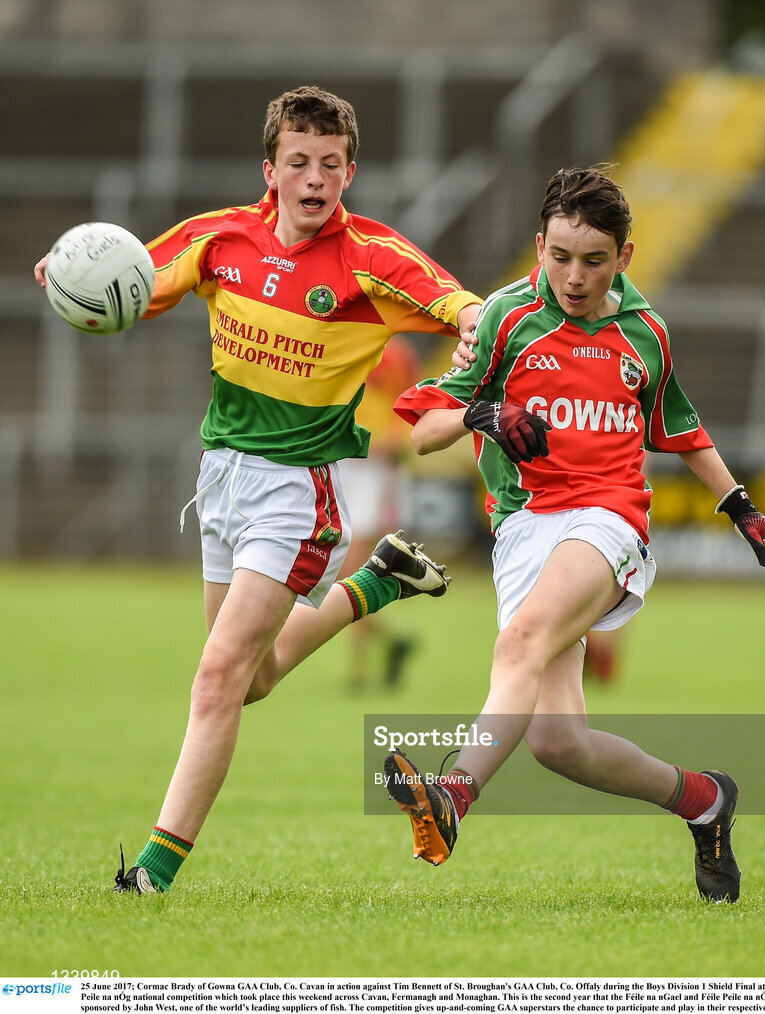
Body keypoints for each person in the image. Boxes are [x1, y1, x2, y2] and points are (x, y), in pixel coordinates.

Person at [35, 85, 481, 894]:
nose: (315, 179)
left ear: (350, 172)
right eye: (300, 162)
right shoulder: (219, 239)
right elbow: (132, 278)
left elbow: (460, 305)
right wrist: (72, 274)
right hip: (220, 480)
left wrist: (475, 327)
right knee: (253, 679)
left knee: (215, 680)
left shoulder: (372, 258)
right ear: (268, 167)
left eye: (332, 165)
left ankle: (153, 874)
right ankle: (377, 580)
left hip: (296, 497)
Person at [383, 166, 765, 904]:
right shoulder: (504, 318)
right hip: (522, 530)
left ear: (624, 257)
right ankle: (704, 799)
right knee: (556, 743)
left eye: (594, 260)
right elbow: (424, 432)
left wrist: (739, 506)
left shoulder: (645, 334)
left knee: (521, 642)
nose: (574, 276)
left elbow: (680, 429)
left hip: (607, 520)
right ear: (538, 245)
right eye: (560, 257)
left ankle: (452, 796)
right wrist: (482, 415)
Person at [337, 335, 424, 690]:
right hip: (341, 463)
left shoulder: (397, 354)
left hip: (375, 468)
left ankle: (359, 669)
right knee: (341, 572)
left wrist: (392, 445)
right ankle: (390, 643)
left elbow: (410, 408)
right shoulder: (339, 340)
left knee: (352, 568)